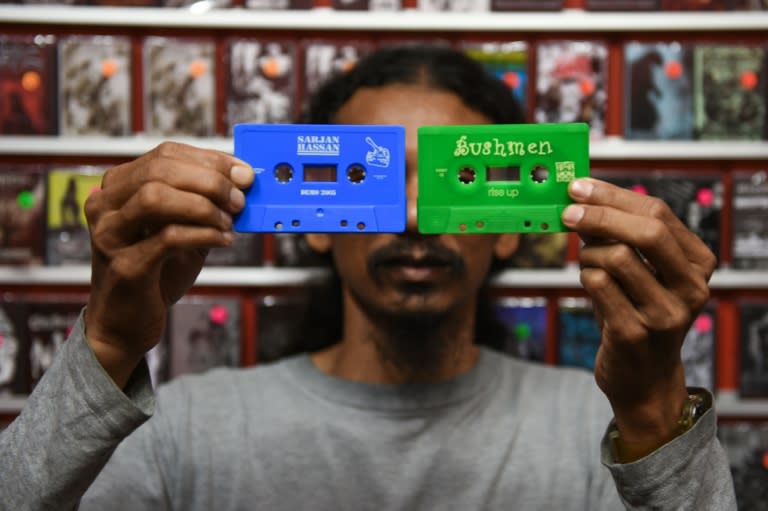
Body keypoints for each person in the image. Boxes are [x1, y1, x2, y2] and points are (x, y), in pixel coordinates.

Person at [0, 45, 735, 510]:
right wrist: (106, 341)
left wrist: (650, 412)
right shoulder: (181, 432)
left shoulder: (601, 428)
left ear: (514, 221)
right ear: (312, 216)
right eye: (374, 181)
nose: (414, 217)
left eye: (457, 183)